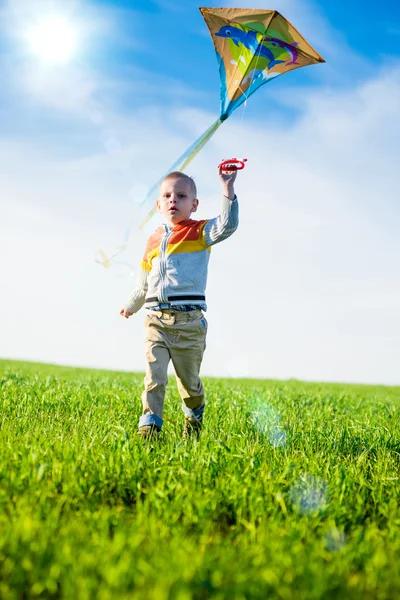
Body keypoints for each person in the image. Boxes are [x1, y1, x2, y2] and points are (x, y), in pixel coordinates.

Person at [120, 167, 239, 438]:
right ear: (158, 204)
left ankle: (193, 422)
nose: (174, 199)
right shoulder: (152, 240)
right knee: (154, 378)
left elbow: (227, 226)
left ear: (194, 204)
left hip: (189, 324)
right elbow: (142, 282)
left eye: (182, 195)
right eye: (167, 195)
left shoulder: (199, 232)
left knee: (189, 385)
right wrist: (132, 304)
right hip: (156, 321)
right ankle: (149, 428)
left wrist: (227, 189)